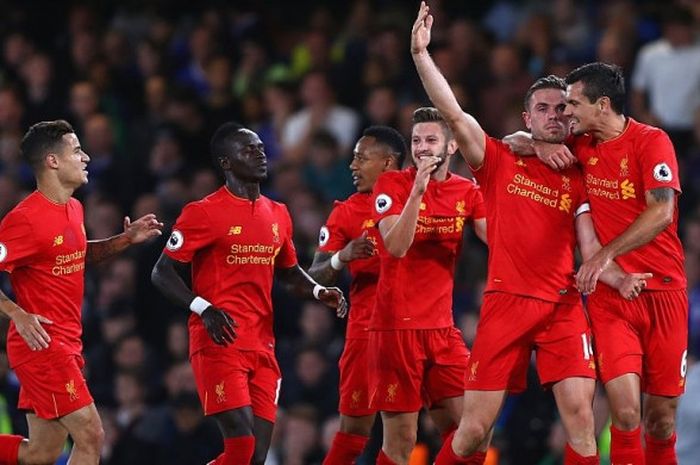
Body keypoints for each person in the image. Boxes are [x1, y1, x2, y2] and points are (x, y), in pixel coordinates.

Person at [410, 5, 651, 465]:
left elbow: (589, 240)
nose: (555, 115)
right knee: (474, 433)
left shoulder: (583, 168)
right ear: (527, 116)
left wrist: (613, 275)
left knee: (581, 421)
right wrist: (422, 55)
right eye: (542, 109)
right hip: (507, 302)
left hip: (563, 306)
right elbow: (454, 114)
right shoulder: (499, 158)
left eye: (563, 108)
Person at [509, 62, 688, 465]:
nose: (565, 113)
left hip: (664, 291)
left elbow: (661, 211)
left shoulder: (651, 142)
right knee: (625, 414)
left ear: (601, 104)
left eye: (573, 103)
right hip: (611, 297)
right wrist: (542, 145)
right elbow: (515, 139)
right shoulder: (580, 144)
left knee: (660, 421)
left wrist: (605, 253)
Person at [150, 122, 348, 465]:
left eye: (260, 147)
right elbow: (162, 272)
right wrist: (204, 308)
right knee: (241, 447)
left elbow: (288, 273)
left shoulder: (278, 213)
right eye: (248, 150)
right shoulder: (204, 212)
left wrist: (317, 291)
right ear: (226, 163)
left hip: (262, 345)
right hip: (220, 341)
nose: (259, 154)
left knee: (255, 457)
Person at [0, 119, 163, 465]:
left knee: (42, 453)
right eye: (77, 150)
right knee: (92, 435)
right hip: (42, 345)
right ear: (52, 161)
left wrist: (124, 240)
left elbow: (75, 253)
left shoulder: (74, 207)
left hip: (68, 341)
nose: (86, 157)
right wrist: (17, 313)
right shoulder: (24, 219)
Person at [368, 102, 487, 465]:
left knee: (473, 431)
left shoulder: (466, 191)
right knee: (402, 443)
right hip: (395, 330)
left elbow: (500, 241)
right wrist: (417, 193)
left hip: (442, 330)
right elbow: (397, 246)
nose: (421, 147)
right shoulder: (391, 183)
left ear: (452, 147)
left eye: (431, 140)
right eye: (416, 140)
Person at [308, 125, 405, 465]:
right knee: (354, 432)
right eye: (353, 158)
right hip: (365, 331)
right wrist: (342, 256)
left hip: (419, 328)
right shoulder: (347, 212)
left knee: (453, 424)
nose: (352, 166)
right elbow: (314, 275)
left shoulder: (420, 200)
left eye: (361, 158)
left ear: (388, 163)